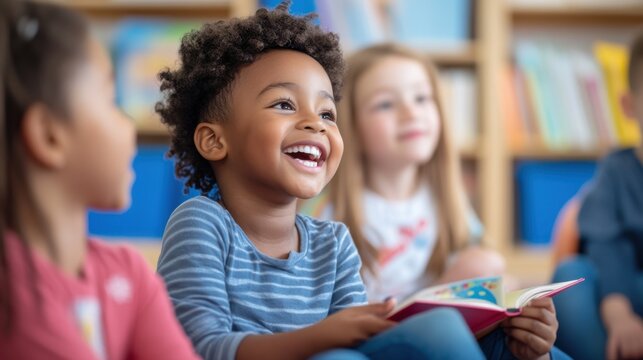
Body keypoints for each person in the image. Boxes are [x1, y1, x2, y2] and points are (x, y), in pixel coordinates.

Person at [155, 2, 565, 359]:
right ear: (214, 140)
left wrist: (526, 344)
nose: (314, 124)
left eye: (327, 114)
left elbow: (363, 339)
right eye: (284, 104)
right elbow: (197, 348)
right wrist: (320, 339)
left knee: (511, 341)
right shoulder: (201, 224)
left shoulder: (334, 242)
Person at [0, 1, 199, 359]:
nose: (128, 126)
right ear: (49, 136)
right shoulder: (13, 301)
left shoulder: (129, 273)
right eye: (111, 100)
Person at [300, 43, 506, 302]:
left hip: (434, 325)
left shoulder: (445, 200)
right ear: (350, 127)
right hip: (366, 333)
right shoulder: (326, 213)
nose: (411, 114)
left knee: (485, 261)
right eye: (385, 104)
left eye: (421, 98)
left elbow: (486, 270)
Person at [552, 34, 643, 360]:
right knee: (570, 278)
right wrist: (620, 318)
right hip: (621, 291)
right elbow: (607, 249)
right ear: (630, 106)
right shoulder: (615, 172)